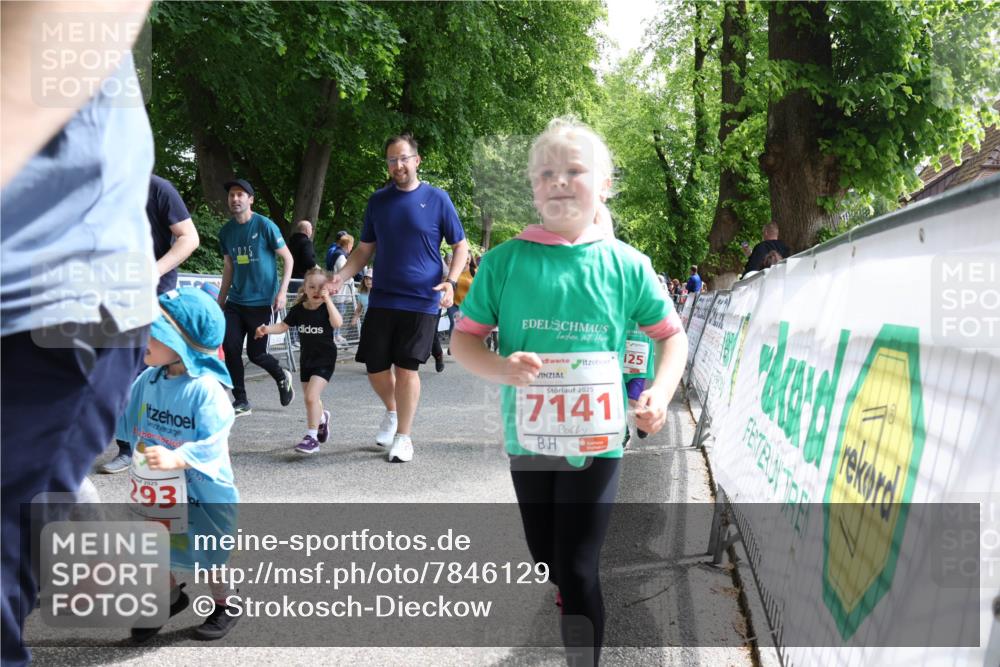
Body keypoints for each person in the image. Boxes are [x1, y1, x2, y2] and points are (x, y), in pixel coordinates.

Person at [451, 117, 688, 667]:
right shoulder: (505, 262)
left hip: (596, 442)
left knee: (580, 569)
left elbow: (671, 337)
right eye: (545, 173)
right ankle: (563, 587)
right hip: (530, 440)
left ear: (605, 185)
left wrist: (659, 394)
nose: (559, 181)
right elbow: (464, 342)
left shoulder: (628, 265)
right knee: (548, 561)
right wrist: (501, 367)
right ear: (533, 188)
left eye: (574, 171)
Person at [1, 13, 156, 662]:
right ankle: (150, 588)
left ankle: (154, 589)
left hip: (56, 305)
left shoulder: (165, 195)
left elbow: (186, 240)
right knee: (64, 492)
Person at [328, 133, 469, 464]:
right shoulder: (378, 201)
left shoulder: (437, 199)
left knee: (406, 368)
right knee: (375, 367)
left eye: (404, 158)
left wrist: (450, 282)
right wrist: (340, 277)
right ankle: (393, 411)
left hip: (422, 298)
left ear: (416, 160)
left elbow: (460, 245)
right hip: (383, 297)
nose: (398, 165)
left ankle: (404, 437)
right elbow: (364, 249)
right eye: (392, 160)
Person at [115, 287, 241, 641]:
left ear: (183, 342)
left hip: (203, 492)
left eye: (154, 332)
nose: (143, 339)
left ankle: (225, 603)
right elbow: (122, 412)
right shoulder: (149, 379)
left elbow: (216, 437)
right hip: (158, 487)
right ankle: (169, 596)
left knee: (211, 551)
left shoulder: (205, 389)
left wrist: (179, 456)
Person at [101, 174, 201, 474]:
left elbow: (189, 237)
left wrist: (153, 271)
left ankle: (153, 445)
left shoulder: (158, 189)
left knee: (148, 371)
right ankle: (127, 446)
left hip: (154, 293)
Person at [217, 178, 295, 416]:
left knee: (256, 354)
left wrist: (282, 292)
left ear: (250, 199)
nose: (235, 198)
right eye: (232, 195)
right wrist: (221, 300)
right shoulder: (226, 232)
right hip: (236, 301)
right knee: (230, 347)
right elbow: (229, 267)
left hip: (262, 302)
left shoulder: (265, 225)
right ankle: (241, 400)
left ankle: (281, 376)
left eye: (240, 194)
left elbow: (288, 259)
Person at [254, 267, 342, 454]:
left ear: (327, 288)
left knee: (310, 397)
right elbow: (283, 326)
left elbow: (337, 323)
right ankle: (322, 418)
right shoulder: (298, 310)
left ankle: (312, 437)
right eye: (312, 287)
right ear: (305, 288)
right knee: (311, 398)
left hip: (325, 358)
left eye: (321, 287)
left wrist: (328, 300)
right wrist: (266, 329)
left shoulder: (327, 308)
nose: (316, 291)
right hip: (307, 359)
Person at [329, 233, 356, 347]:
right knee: (338, 314)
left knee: (340, 312)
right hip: (339, 292)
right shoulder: (340, 255)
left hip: (340, 291)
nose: (352, 248)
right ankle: (334, 337)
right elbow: (344, 272)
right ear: (348, 244)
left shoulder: (338, 254)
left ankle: (337, 335)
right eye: (352, 245)